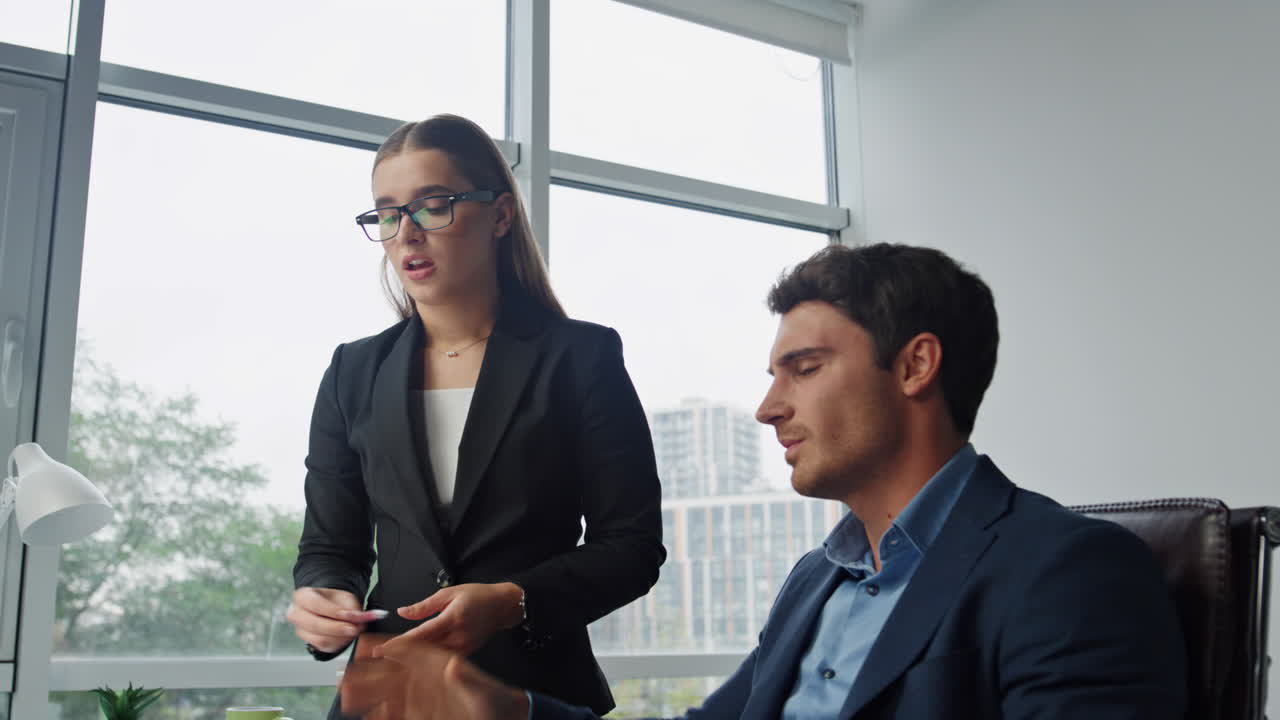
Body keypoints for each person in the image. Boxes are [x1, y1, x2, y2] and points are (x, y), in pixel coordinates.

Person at [338, 243, 1188, 720]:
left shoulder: (1069, 571)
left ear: (916, 365)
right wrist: (503, 711)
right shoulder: (817, 581)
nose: (768, 408)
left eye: (804, 368)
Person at [287, 114, 666, 719]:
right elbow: (332, 545)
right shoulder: (352, 372)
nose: (406, 234)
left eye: (432, 206)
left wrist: (514, 600)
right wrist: (325, 597)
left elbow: (631, 547)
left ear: (499, 215)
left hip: (532, 694)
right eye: (387, 213)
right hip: (386, 696)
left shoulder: (580, 357)